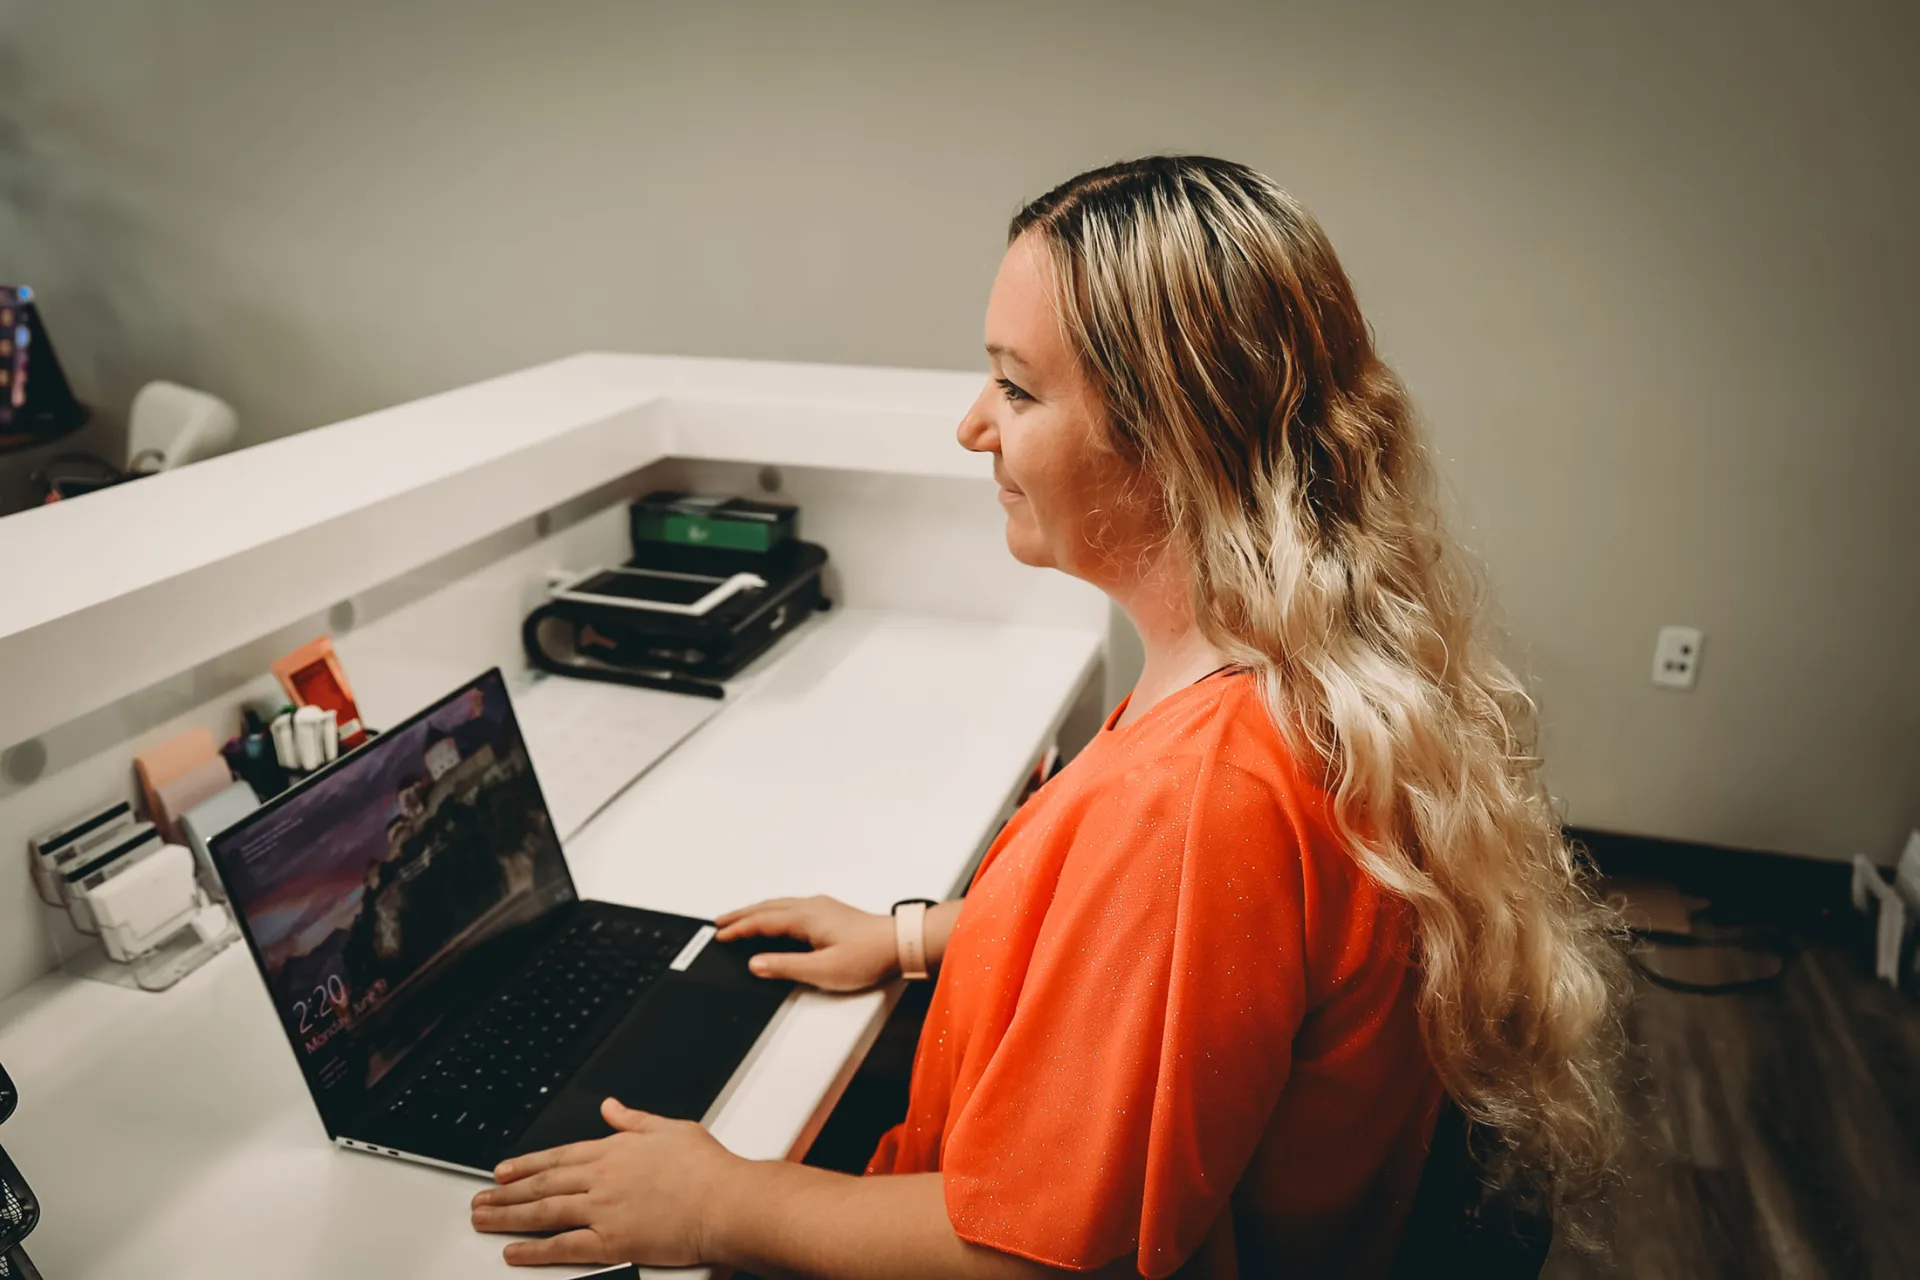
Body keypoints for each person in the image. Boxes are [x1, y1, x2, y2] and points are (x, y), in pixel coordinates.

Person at [468, 156, 1625, 1278]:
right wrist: (915, 935)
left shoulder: (1195, 797)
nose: (975, 425)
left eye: (1017, 389)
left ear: (1170, 439)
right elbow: (1177, 962)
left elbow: (1039, 1255)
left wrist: (721, 1203)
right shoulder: (1296, 677)